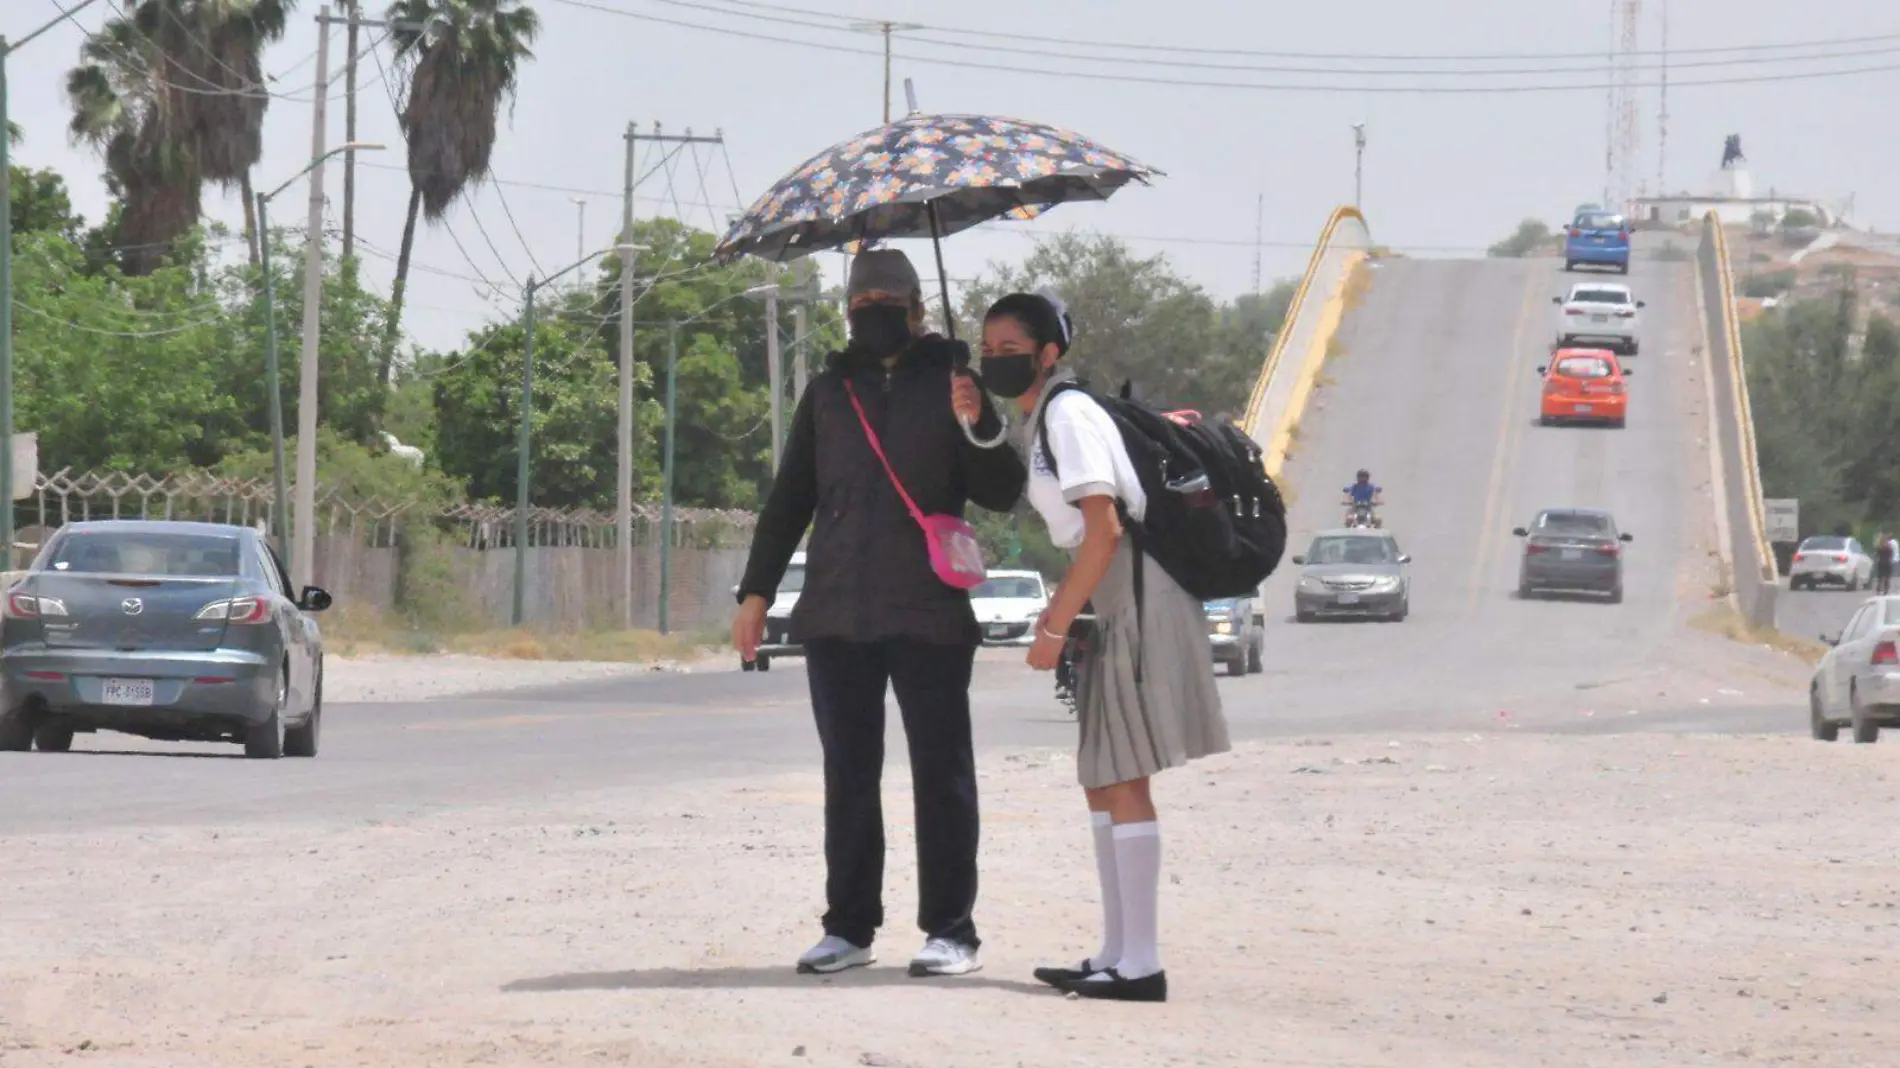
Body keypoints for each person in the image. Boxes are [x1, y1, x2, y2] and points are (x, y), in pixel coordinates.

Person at [732, 249, 1027, 979]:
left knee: (942, 771)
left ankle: (951, 930)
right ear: (848, 310)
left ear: (917, 306)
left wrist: (979, 422)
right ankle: (849, 927)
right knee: (849, 774)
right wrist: (755, 593)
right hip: (837, 612)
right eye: (861, 299)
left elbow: (1002, 491)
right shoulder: (830, 391)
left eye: (886, 298)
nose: (873, 310)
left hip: (928, 611)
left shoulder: (956, 382)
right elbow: (790, 498)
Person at [968, 290, 1232, 1003]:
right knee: (1101, 775)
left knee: (1124, 775)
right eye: (987, 349)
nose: (994, 359)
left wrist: (1054, 623)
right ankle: (1115, 953)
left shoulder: (1070, 414)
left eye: (1009, 349)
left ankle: (1141, 964)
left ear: (1049, 353)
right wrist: (976, 418)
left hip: (1132, 593)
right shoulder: (1045, 417)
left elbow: (1105, 527)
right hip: (1110, 595)